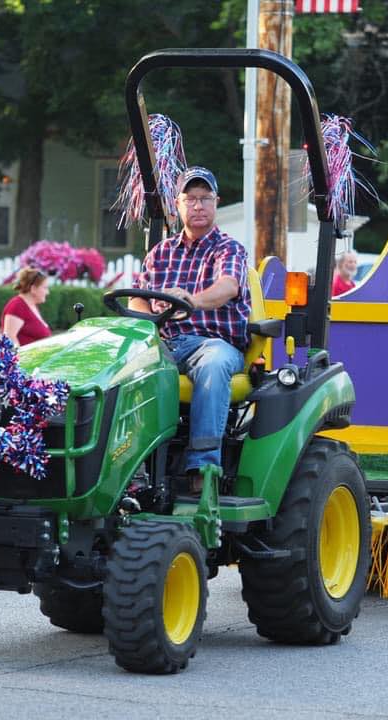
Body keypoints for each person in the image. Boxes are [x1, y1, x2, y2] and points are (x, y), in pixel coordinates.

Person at [131, 166, 251, 492]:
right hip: (167, 343)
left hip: (213, 343)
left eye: (205, 198)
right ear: (178, 204)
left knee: (213, 365)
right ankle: (132, 468)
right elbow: (138, 301)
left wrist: (191, 301)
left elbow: (227, 287)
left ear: (216, 203)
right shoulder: (160, 254)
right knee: (125, 370)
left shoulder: (228, 249)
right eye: (191, 199)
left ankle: (203, 469)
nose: (198, 206)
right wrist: (143, 322)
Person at [1, 267, 51, 346]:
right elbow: (9, 339)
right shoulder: (17, 306)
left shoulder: (31, 306)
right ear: (33, 288)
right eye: (45, 288)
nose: (47, 292)